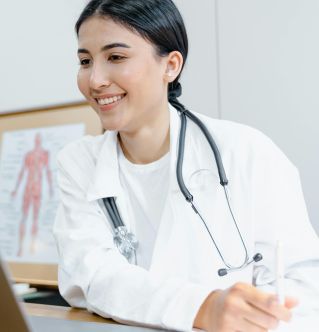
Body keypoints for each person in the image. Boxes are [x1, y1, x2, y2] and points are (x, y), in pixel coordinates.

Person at [53, 0, 319, 331]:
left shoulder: (247, 152)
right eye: (85, 61)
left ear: (171, 65)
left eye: (116, 57)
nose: (95, 80)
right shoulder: (79, 163)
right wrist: (203, 307)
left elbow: (299, 288)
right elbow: (91, 275)